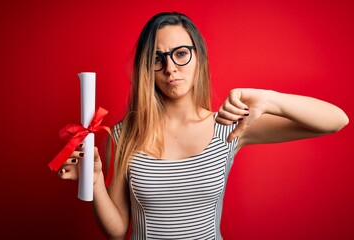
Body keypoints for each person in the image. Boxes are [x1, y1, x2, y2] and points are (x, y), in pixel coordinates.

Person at [57, 12, 349, 239]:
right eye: (157, 59)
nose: (170, 68)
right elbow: (117, 231)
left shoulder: (229, 126)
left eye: (181, 54)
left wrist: (269, 98)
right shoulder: (122, 135)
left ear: (198, 57)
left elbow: (336, 120)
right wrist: (95, 182)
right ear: (146, 68)